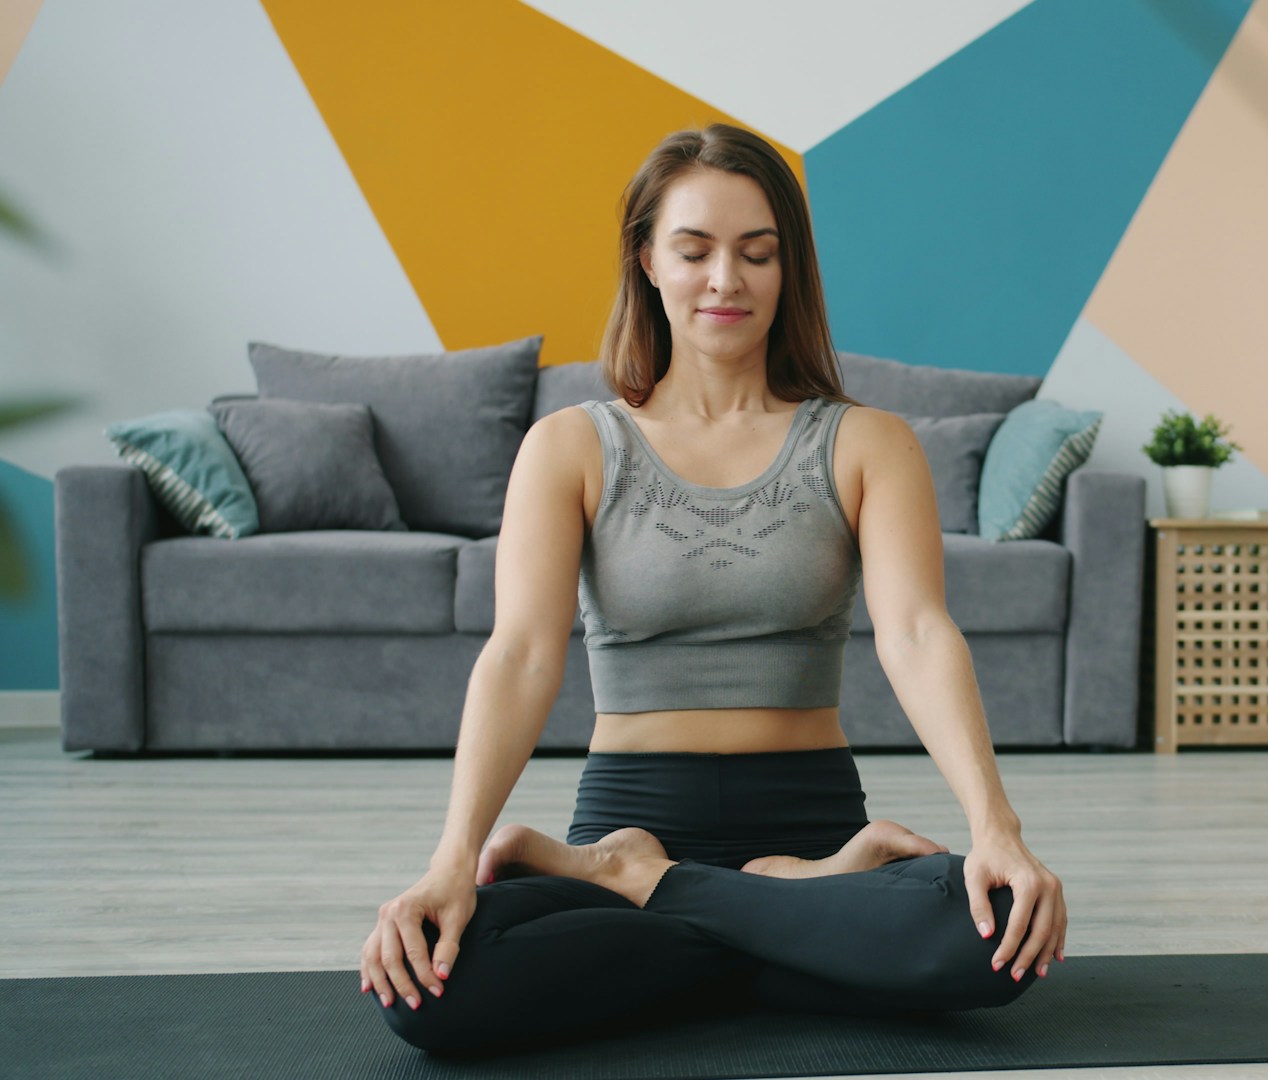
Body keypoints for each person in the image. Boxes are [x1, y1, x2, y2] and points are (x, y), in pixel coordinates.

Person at [358, 122, 1068, 1055]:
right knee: (431, 991)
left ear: (789, 269)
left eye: (756, 253)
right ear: (647, 259)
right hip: (630, 806)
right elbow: (522, 654)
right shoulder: (571, 446)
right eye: (694, 250)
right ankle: (788, 919)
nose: (725, 280)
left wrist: (996, 828)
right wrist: (451, 859)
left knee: (995, 931)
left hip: (811, 819)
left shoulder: (866, 443)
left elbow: (918, 634)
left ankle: (644, 890)